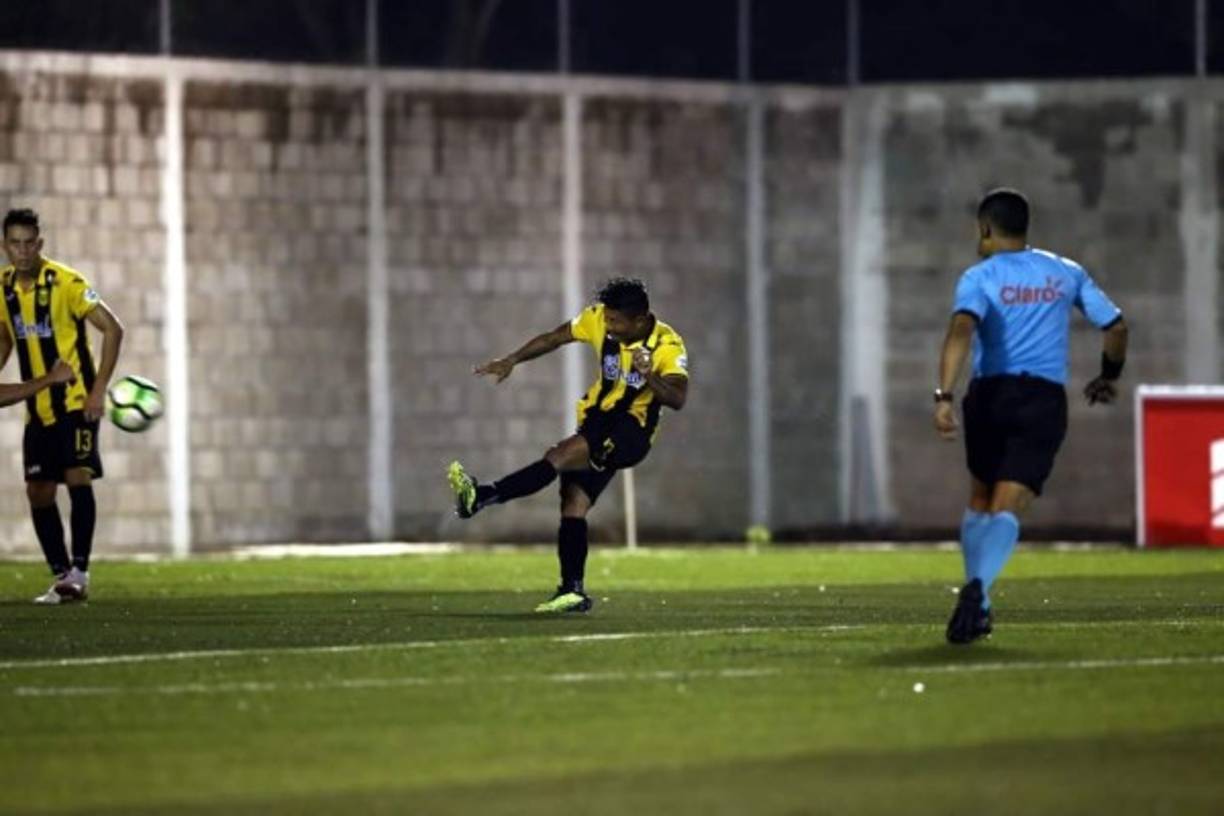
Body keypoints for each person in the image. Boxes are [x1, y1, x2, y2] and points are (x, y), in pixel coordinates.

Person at [934, 188, 1128, 644]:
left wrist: (943, 395)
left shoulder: (978, 277)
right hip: (1041, 399)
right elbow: (1115, 326)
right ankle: (978, 592)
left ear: (985, 228)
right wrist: (1108, 375)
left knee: (981, 497)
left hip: (988, 395)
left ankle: (977, 600)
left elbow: (961, 329)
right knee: (1010, 502)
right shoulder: (1065, 271)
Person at [447, 278, 688, 613]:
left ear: (639, 320)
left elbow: (677, 399)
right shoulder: (598, 318)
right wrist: (512, 359)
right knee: (573, 502)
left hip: (631, 431)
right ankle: (572, 591)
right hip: (597, 420)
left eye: (616, 321)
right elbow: (554, 338)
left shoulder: (667, 344)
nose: (608, 326)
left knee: (558, 456)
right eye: (607, 318)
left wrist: (648, 374)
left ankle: (482, 496)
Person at [0, 208, 125, 605]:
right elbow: (6, 336)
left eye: (29, 243)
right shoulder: (2, 289)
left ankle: (80, 572)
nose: (23, 251)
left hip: (76, 401)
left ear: (39, 243)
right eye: (15, 244)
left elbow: (113, 329)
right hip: (38, 408)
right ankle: (61, 576)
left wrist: (98, 389)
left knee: (76, 476)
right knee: (38, 491)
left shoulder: (67, 282)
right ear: (5, 247)